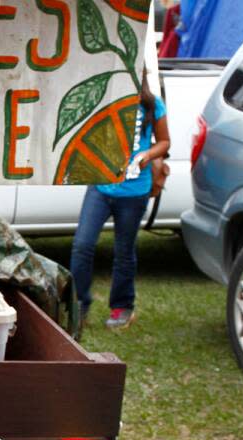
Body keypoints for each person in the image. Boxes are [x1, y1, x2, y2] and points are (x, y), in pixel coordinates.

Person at [70, 71, 170, 330]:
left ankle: (122, 307)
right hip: (101, 187)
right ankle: (79, 303)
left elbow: (165, 142)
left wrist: (147, 155)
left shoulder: (152, 105)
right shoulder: (107, 99)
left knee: (124, 252)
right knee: (82, 245)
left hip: (134, 192)